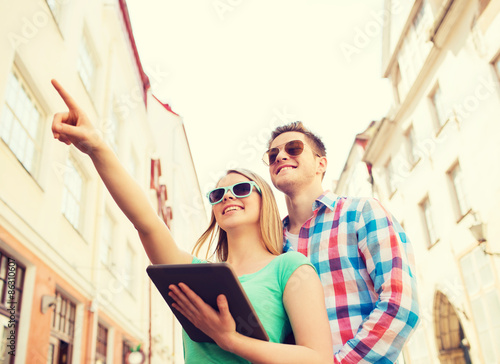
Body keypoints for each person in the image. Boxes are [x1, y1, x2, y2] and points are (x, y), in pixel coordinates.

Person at [50, 80, 333, 364]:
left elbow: (318, 358)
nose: (228, 197)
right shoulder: (196, 275)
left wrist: (231, 340)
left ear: (265, 201)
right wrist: (96, 147)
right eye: (218, 193)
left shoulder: (291, 267)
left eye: (242, 189)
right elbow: (145, 221)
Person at [263, 121, 420, 363]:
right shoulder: (271, 245)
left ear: (320, 163)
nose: (280, 156)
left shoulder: (362, 213)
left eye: (293, 148)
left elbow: (400, 304)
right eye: (273, 154)